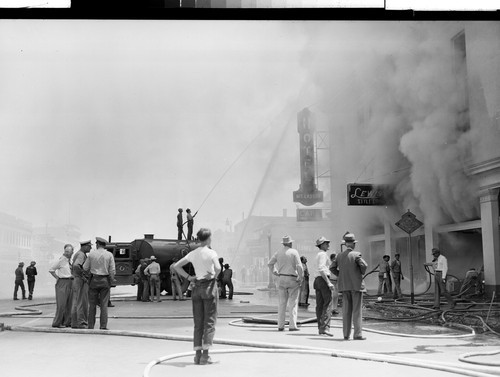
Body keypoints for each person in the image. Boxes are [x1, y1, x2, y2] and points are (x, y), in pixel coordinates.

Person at [173, 228, 221, 365]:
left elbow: (176, 266)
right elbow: (218, 268)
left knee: (198, 322)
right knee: (209, 322)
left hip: (196, 288)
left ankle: (197, 355)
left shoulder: (192, 254)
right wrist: (213, 277)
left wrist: (189, 277)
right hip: (209, 287)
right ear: (208, 238)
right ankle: (205, 357)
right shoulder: (211, 252)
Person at [331, 232, 368, 340]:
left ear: (345, 244)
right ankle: (357, 334)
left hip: (344, 286)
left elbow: (332, 267)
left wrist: (341, 275)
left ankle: (346, 334)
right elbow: (364, 266)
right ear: (353, 244)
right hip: (356, 286)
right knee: (357, 311)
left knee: (346, 311)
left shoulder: (339, 256)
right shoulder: (356, 255)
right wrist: (359, 273)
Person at [268, 235, 304, 332]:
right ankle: (292, 325)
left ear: (283, 243)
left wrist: (274, 271)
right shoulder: (294, 252)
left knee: (282, 303)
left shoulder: (278, 252)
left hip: (281, 278)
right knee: (293, 303)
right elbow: (299, 266)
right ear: (290, 243)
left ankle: (280, 325)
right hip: (292, 279)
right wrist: (300, 277)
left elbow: (270, 263)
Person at [83, 237, 116, 330]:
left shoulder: (91, 254)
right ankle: (103, 326)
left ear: (97, 244)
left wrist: (88, 276)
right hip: (105, 281)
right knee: (104, 305)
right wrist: (111, 280)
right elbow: (112, 270)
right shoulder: (109, 255)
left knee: (92, 305)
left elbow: (85, 268)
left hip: (94, 280)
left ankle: (90, 326)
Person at [313, 236, 335, 336]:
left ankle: (320, 328)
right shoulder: (323, 254)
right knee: (328, 303)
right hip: (323, 279)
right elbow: (322, 268)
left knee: (320, 305)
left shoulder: (318, 254)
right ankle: (325, 327)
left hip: (317, 280)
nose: (328, 245)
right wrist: (328, 282)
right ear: (322, 245)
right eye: (326, 243)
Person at [49, 244, 74, 328]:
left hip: (70, 282)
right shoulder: (61, 260)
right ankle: (57, 323)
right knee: (61, 304)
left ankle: (67, 322)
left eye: (69, 252)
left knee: (69, 304)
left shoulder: (69, 261)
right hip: (63, 282)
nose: (67, 253)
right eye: (66, 251)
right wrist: (57, 277)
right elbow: (51, 269)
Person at [71, 240, 92, 329]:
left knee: (76, 301)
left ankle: (75, 323)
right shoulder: (81, 254)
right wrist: (83, 275)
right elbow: (76, 265)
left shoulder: (79, 253)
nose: (90, 248)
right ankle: (81, 322)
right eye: (89, 246)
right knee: (81, 302)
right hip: (80, 280)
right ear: (85, 246)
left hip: (77, 279)